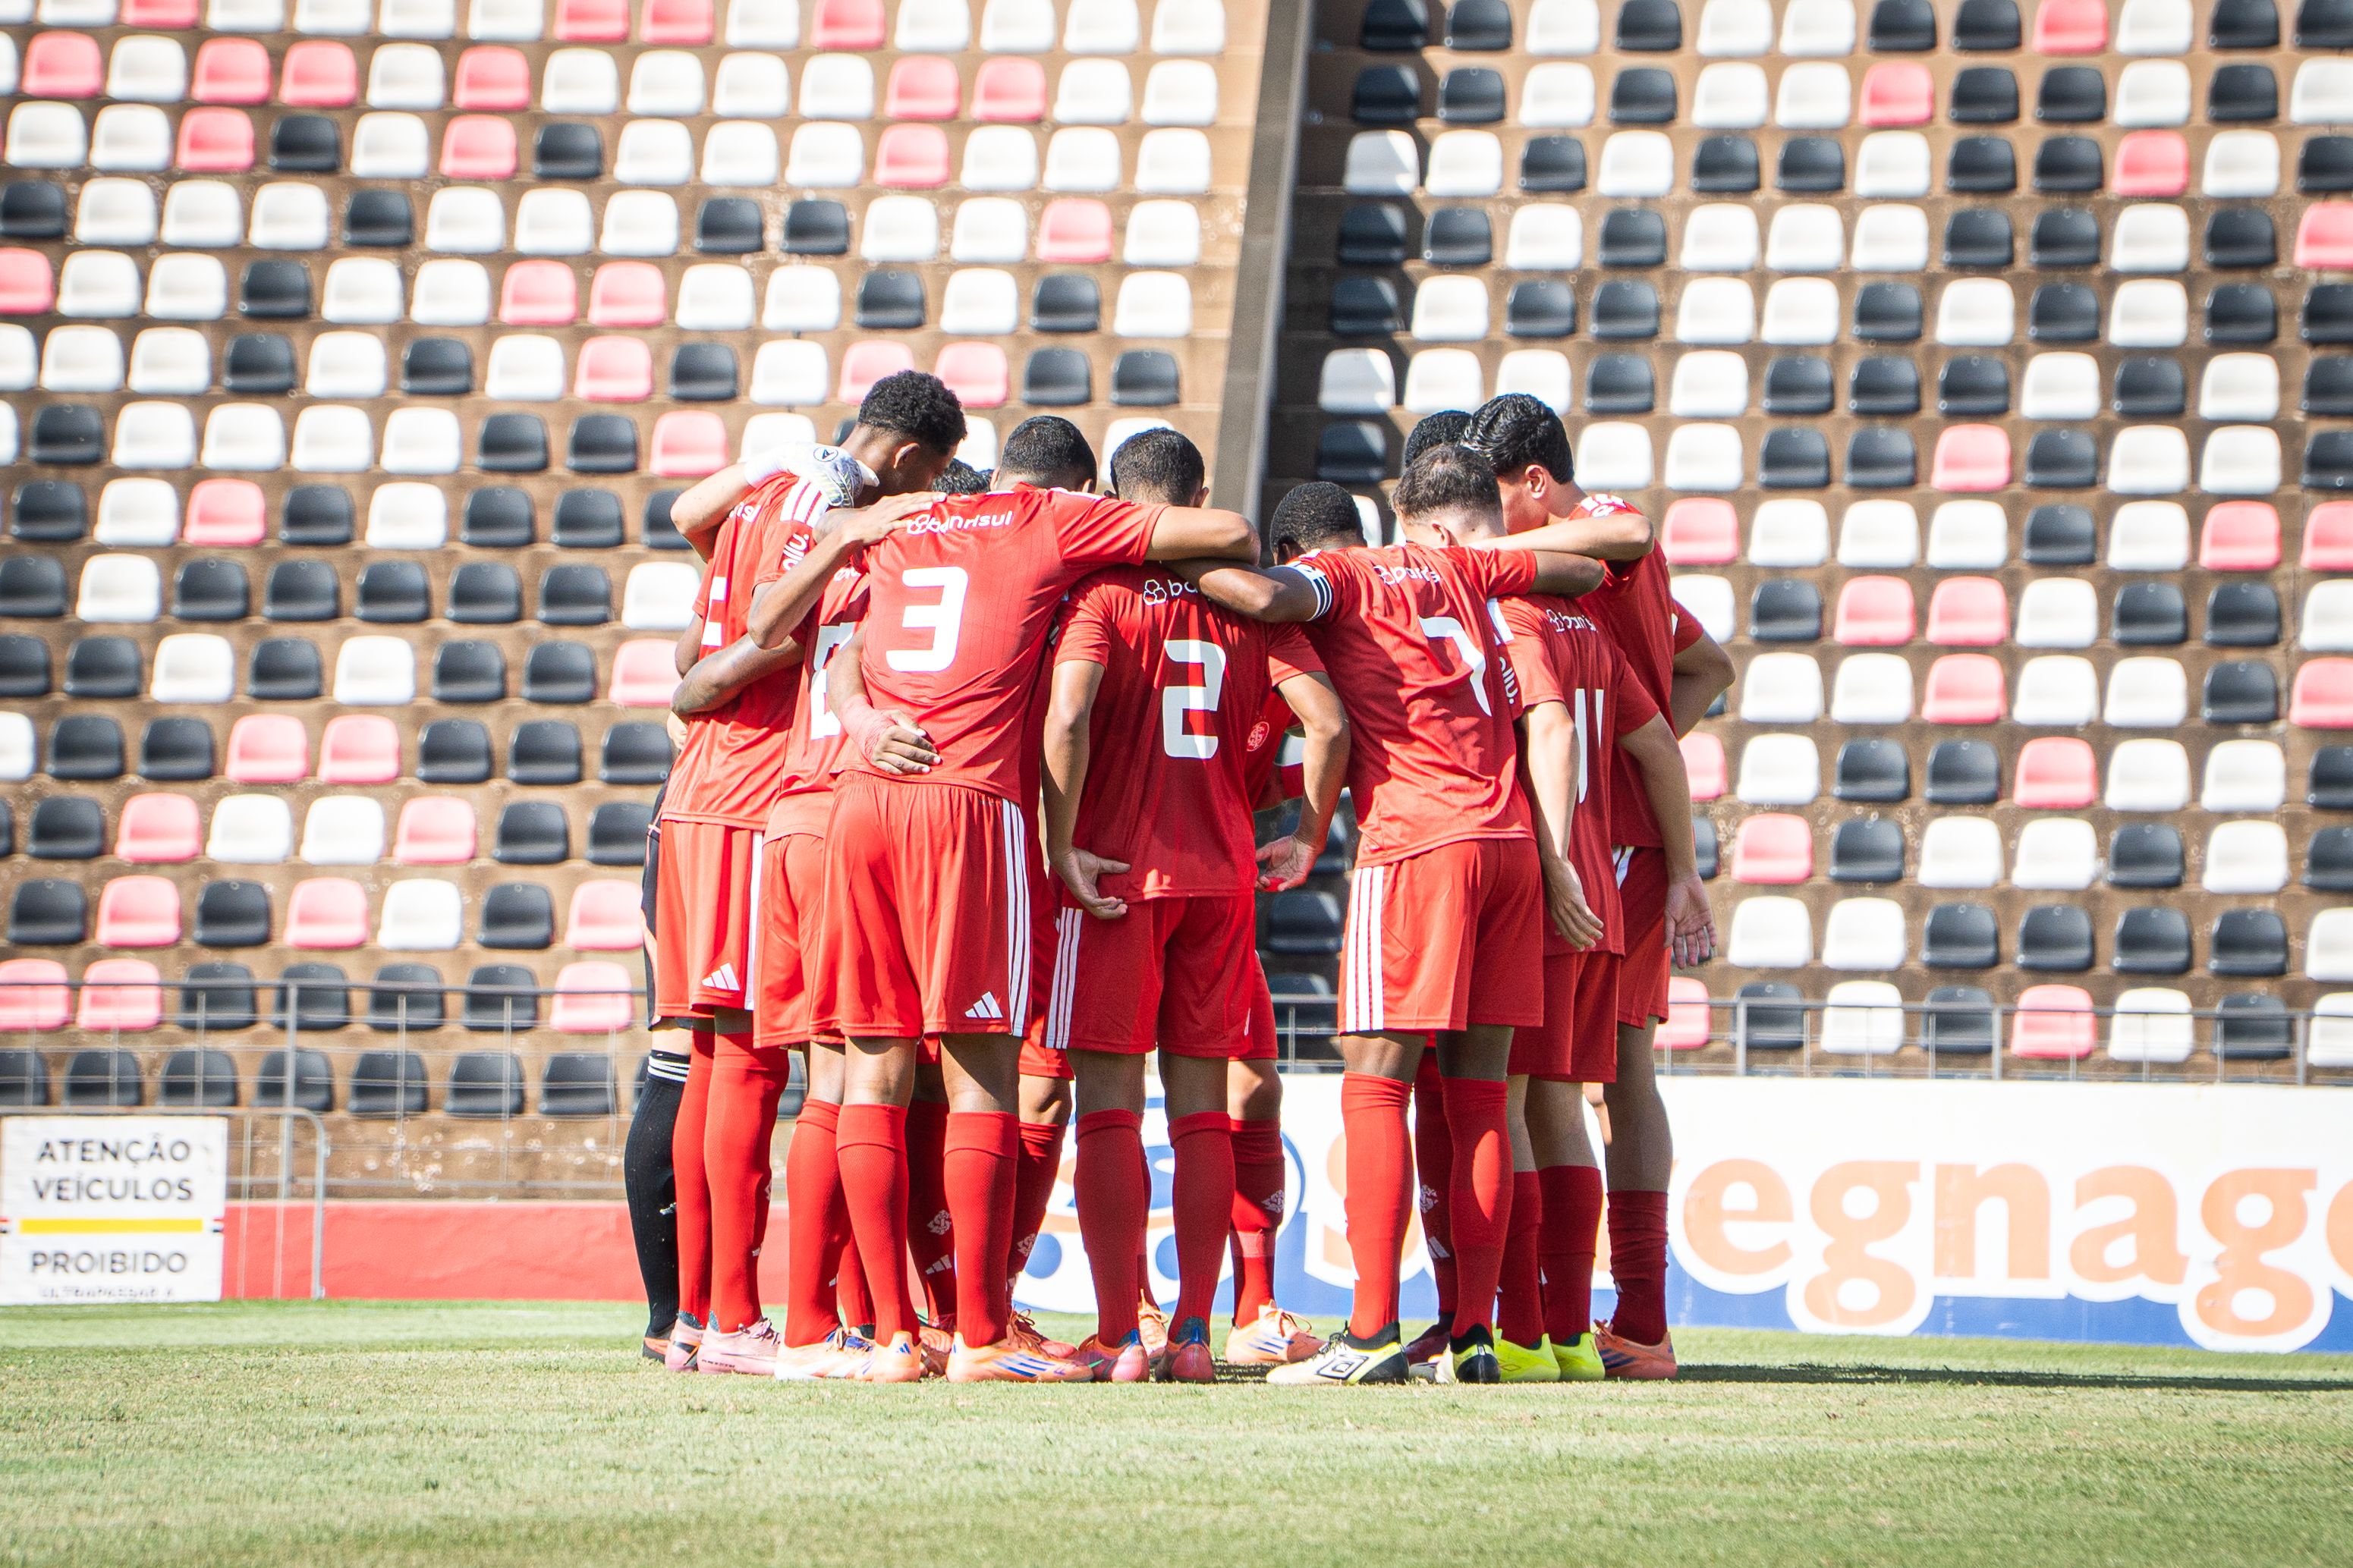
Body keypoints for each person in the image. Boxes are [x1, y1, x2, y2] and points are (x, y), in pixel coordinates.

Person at [813, 416, 1261, 1383]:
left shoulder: (900, 527)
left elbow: (821, 642)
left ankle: (883, 1332)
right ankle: (1057, 1332)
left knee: (869, 1073)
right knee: (1023, 1080)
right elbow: (1261, 609)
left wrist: (855, 717)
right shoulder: (1061, 536)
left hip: (864, 803)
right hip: (1044, 831)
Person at [1177, 457, 1603, 1386]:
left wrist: (1170, 562)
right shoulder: (1462, 566)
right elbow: (1584, 570)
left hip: (1416, 844)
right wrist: (1495, 559)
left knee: (1374, 1081)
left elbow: (1256, 593)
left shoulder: (1344, 575)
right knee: (1483, 1097)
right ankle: (1474, 1338)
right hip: (1512, 846)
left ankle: (1367, 1336)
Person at [652, 372, 967, 1375]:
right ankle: (750, 1316)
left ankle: (704, 1315)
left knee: (716, 1058)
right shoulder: (834, 519)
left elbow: (692, 577)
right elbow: (756, 635)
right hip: (760, 792)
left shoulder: (762, 494)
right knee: (756, 1060)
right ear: (914, 463)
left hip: (704, 794)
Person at [1041, 429, 1351, 1381]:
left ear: (1112, 500)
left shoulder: (1100, 596)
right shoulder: (1253, 611)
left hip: (1118, 880)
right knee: (1202, 1115)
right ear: (1199, 495)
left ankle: (1117, 1334)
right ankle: (1192, 1337)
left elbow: (1066, 715)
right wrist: (1305, 833)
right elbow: (1329, 723)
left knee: (1104, 1108)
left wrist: (1058, 844)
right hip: (1219, 881)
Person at [1400, 452, 1707, 1384]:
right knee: (1577, 1093)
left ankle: (1522, 1332)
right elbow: (1670, 718)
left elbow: (1554, 727)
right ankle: (1580, 1331)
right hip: (1610, 868)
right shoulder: (1585, 619)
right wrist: (1676, 860)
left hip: (1543, 868)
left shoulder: (1517, 612)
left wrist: (1561, 847)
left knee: (1509, 1098)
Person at [1463, 394, 1733, 1380]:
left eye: (1498, 503)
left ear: (1536, 481)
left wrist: (1627, 760)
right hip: (1619, 828)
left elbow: (1629, 524)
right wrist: (1647, 737)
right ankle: (1626, 1320)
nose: (1490, 531)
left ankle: (1570, 1322)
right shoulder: (1588, 591)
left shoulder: (1591, 546)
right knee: (1610, 1079)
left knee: (1562, 1083)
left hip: (1592, 842)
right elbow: (1709, 664)